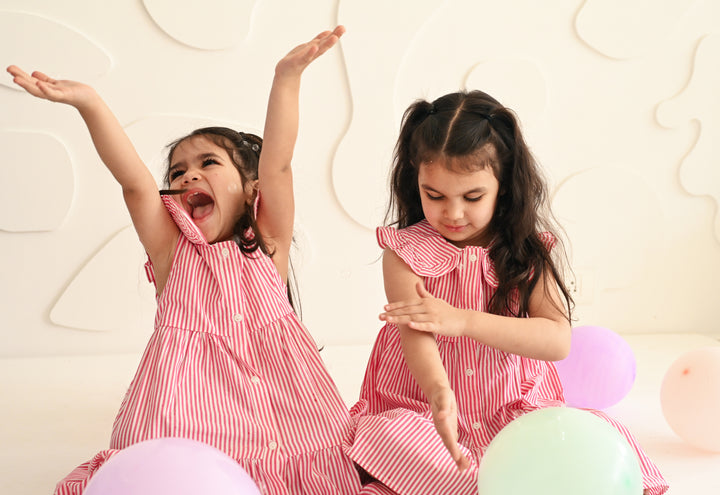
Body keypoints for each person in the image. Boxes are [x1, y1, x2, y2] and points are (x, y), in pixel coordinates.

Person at [8, 26, 363, 495]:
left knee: (313, 470)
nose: (189, 172)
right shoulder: (172, 251)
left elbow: (277, 163)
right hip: (189, 410)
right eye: (178, 170)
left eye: (209, 163)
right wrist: (90, 102)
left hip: (285, 404)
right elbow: (135, 183)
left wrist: (286, 77)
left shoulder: (267, 241)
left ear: (250, 189)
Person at [343, 90, 669, 495]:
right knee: (391, 442)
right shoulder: (405, 252)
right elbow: (415, 334)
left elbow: (556, 340)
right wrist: (438, 393)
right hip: (423, 407)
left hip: (511, 406)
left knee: (592, 442)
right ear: (416, 180)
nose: (454, 213)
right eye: (435, 196)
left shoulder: (525, 252)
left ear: (504, 185)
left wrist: (463, 320)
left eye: (473, 196)